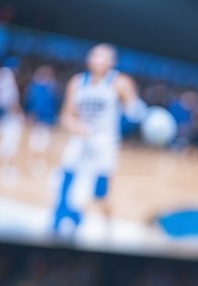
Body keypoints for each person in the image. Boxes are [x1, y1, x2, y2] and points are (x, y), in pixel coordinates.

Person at [52, 43, 141, 237]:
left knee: (100, 194)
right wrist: (75, 126)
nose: (97, 60)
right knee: (66, 180)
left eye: (102, 56)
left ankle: (108, 227)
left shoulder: (120, 82)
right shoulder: (77, 82)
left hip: (105, 144)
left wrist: (143, 117)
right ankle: (64, 221)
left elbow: (135, 112)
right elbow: (66, 115)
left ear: (112, 61)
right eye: (94, 55)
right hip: (80, 140)